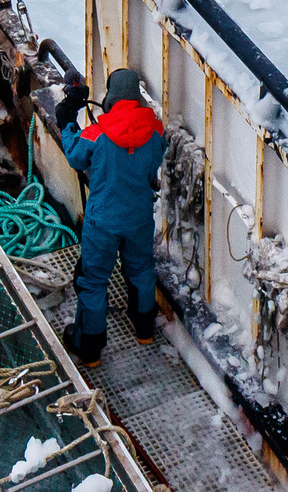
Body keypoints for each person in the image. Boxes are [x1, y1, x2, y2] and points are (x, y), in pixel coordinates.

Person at [60, 68, 167, 367]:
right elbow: (157, 155)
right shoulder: (156, 130)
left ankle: (90, 347)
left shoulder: (98, 133)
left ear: (111, 97)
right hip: (139, 217)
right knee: (141, 269)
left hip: (103, 222)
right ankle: (145, 329)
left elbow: (73, 155)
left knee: (93, 281)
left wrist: (67, 119)